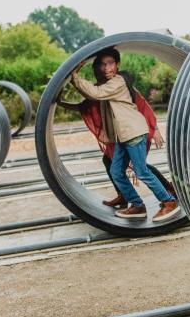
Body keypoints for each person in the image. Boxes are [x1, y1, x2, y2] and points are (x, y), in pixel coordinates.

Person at [68, 47, 181, 223]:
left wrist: (74, 77)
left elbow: (95, 94)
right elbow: (91, 97)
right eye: (103, 65)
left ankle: (169, 202)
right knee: (116, 171)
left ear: (118, 65)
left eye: (110, 63)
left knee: (142, 171)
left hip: (133, 132)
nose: (107, 68)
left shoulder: (117, 82)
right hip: (123, 135)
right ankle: (137, 205)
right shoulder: (108, 84)